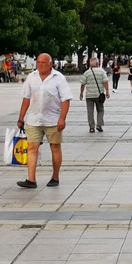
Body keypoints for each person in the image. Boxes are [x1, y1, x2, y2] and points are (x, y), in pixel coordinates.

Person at [16, 54, 73, 188]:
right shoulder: (31, 77)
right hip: (33, 118)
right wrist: (21, 118)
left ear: (50, 64)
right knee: (32, 147)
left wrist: (62, 119)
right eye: (38, 62)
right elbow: (26, 98)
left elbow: (66, 99)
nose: (40, 65)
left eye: (43, 63)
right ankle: (31, 179)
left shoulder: (58, 78)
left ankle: (55, 176)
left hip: (53, 119)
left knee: (55, 147)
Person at [80, 57, 110, 133]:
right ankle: (99, 125)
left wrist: (81, 93)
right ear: (97, 63)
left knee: (90, 112)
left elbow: (83, 84)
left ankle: (91, 127)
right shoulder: (102, 71)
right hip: (99, 95)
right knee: (100, 110)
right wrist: (107, 92)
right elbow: (105, 82)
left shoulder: (87, 73)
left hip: (89, 95)